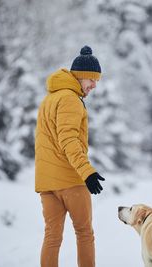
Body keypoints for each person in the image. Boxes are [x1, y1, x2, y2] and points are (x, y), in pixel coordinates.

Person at [35, 45, 105, 267]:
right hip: (71, 181)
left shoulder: (49, 99)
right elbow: (69, 140)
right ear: (80, 76)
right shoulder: (70, 100)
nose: (94, 85)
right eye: (92, 80)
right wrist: (88, 172)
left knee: (52, 237)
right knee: (84, 233)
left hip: (48, 183)